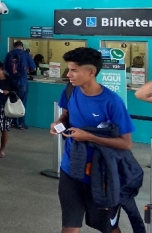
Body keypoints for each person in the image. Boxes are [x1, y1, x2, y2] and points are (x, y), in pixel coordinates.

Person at [50, 47, 135, 233]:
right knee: (69, 227)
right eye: (68, 69)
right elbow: (67, 115)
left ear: (91, 72)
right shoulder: (70, 90)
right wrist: (58, 123)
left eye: (74, 70)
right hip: (71, 169)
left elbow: (126, 143)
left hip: (101, 174)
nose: (68, 74)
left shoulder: (112, 102)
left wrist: (88, 136)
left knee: (109, 228)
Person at [4, 41, 36, 129]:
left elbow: (5, 68)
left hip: (11, 82)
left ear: (14, 46)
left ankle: (12, 123)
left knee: (13, 102)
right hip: (22, 82)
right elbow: (33, 68)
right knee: (22, 102)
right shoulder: (25, 54)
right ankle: (21, 123)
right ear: (22, 46)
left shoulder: (9, 54)